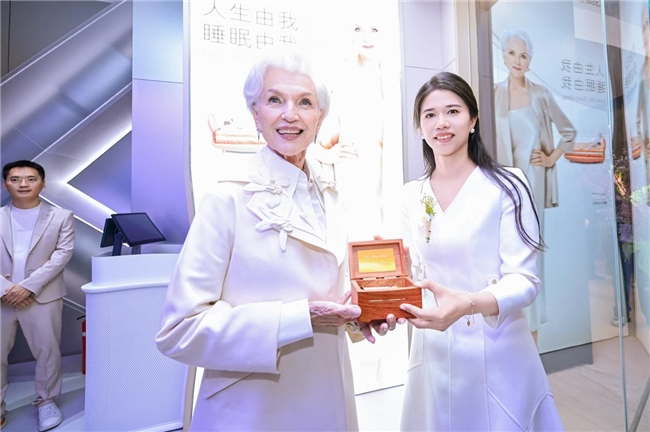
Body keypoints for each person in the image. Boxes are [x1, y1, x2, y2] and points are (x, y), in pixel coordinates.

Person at [155, 50, 394, 432]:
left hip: (327, 399)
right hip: (253, 409)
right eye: (275, 100)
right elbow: (179, 330)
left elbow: (328, 295)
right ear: (255, 113)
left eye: (305, 103)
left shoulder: (331, 194)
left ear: (320, 118)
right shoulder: (227, 198)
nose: (290, 114)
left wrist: (359, 315)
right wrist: (299, 318)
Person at [398, 72, 564, 431]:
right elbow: (409, 273)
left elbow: (525, 280)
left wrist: (469, 303)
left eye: (452, 111)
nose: (441, 123)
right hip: (434, 349)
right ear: (420, 128)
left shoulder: (508, 184)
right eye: (430, 115)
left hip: (497, 348)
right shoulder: (411, 196)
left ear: (473, 120)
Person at [494, 29, 577, 337]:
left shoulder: (541, 94)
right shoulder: (493, 93)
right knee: (503, 250)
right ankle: (510, 319)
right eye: (512, 53)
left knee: (531, 250)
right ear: (503, 55)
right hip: (503, 184)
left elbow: (569, 132)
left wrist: (552, 157)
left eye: (524, 55)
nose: (518, 60)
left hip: (533, 182)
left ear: (530, 60)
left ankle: (533, 324)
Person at [312, 14, 402, 240]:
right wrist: (326, 154)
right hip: (350, 177)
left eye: (374, 29)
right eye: (358, 29)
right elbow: (318, 138)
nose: (366, 37)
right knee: (352, 239)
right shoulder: (339, 77)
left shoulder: (391, 79)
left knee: (383, 238)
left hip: (385, 176)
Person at [1, 160, 75, 431]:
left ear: (43, 184)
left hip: (43, 296)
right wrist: (6, 289)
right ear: (5, 184)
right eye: (15, 179)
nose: (23, 184)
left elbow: (62, 255)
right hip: (1, 297)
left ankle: (47, 402)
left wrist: (28, 287)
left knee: (47, 352)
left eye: (31, 179)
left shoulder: (61, 216)